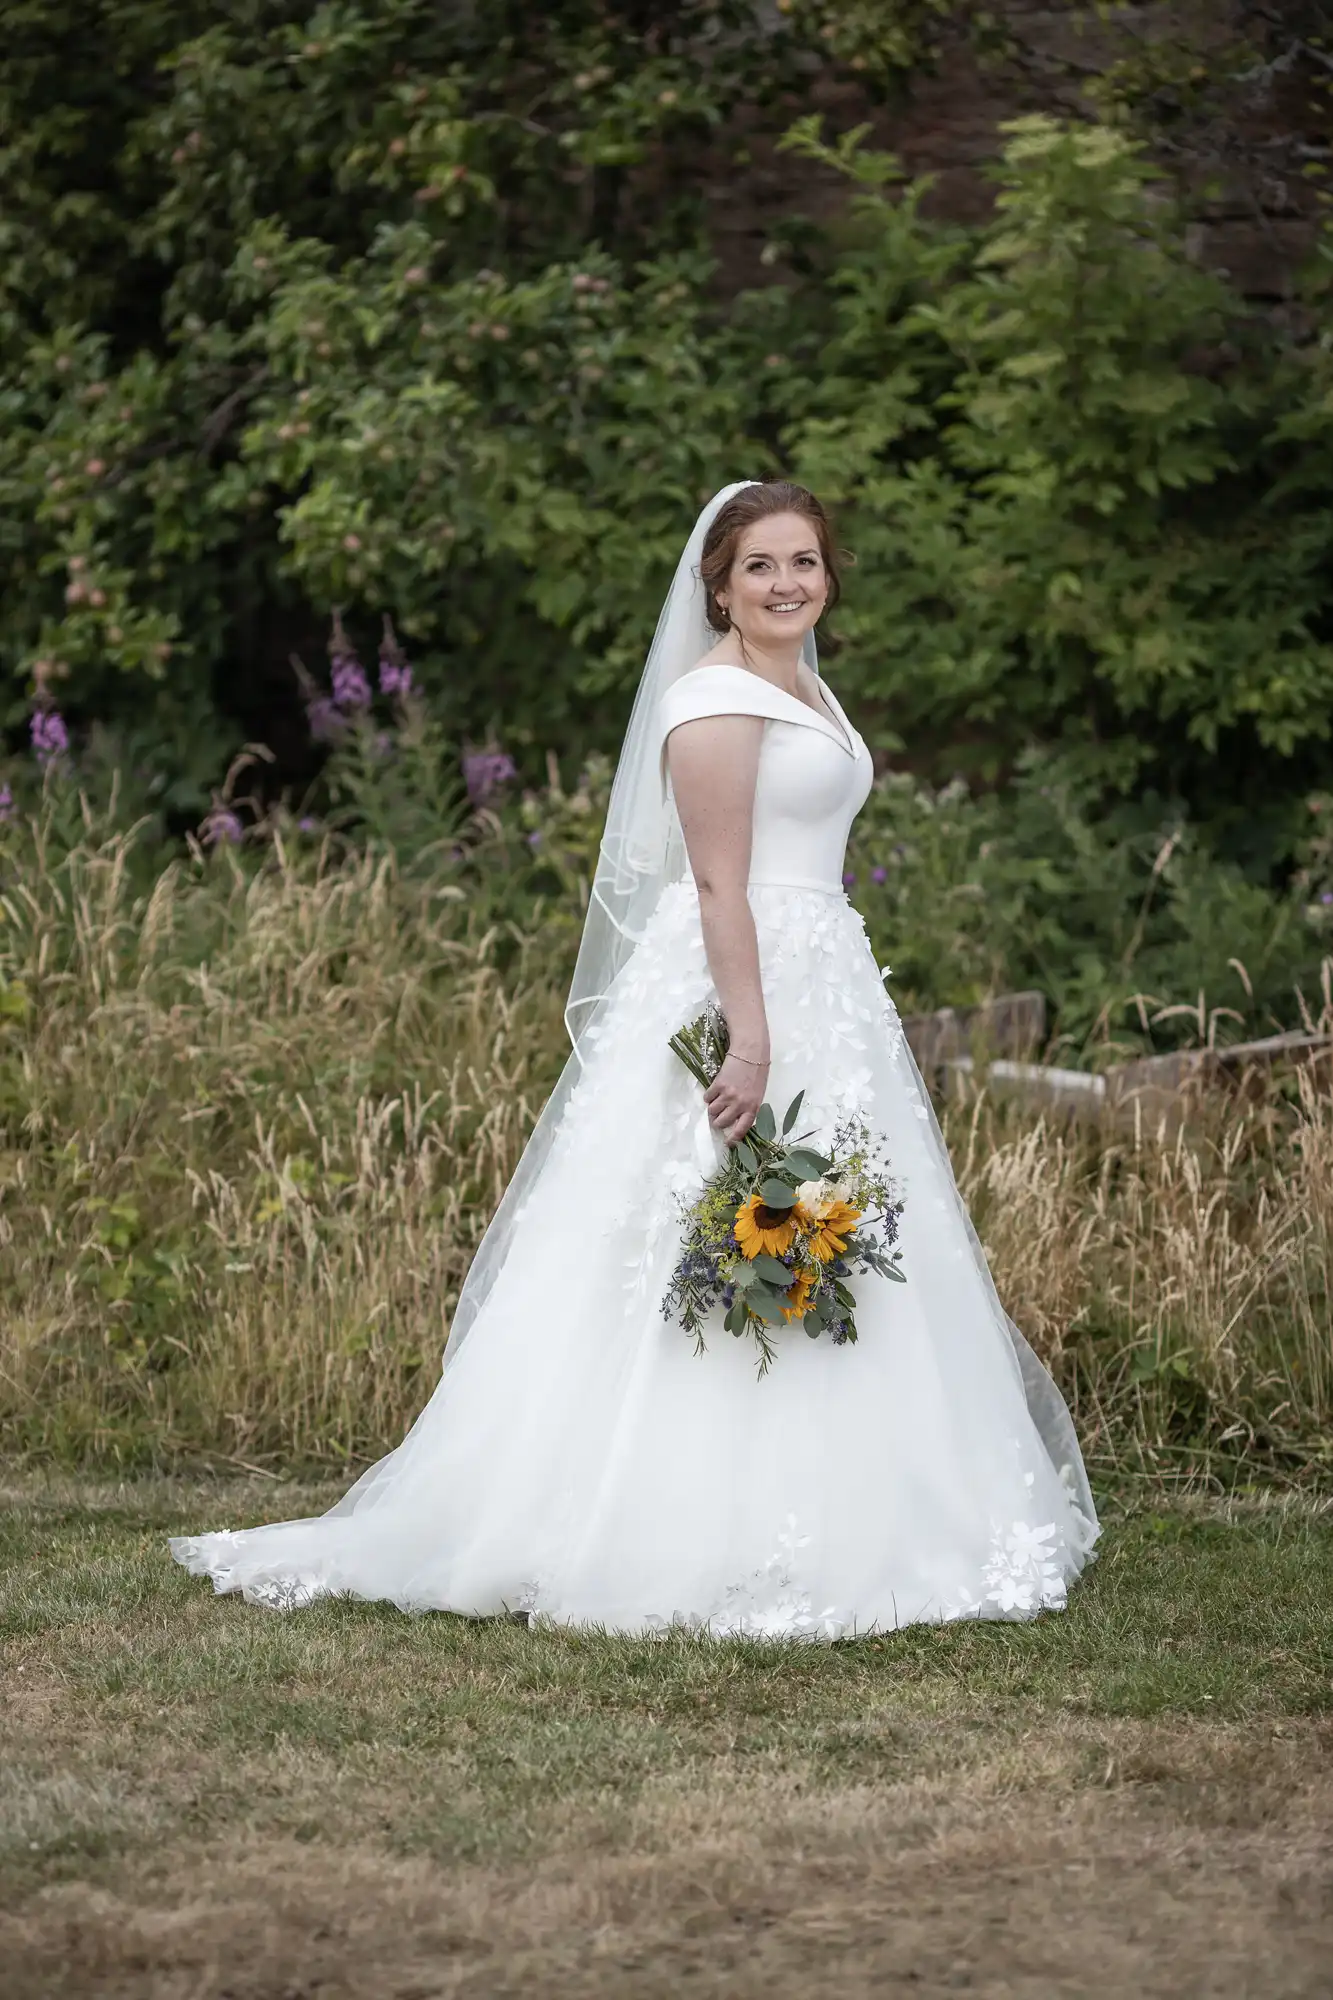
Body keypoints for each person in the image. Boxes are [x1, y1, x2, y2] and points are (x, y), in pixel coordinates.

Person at [171, 479, 1100, 1636]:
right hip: (741, 984)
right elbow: (717, 881)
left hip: (827, 981)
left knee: (843, 1225)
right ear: (718, 582)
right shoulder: (712, 698)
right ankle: (659, 1520)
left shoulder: (803, 681)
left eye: (804, 561)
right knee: (693, 1228)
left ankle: (874, 1500)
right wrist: (749, 1035)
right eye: (760, 564)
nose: (786, 583)